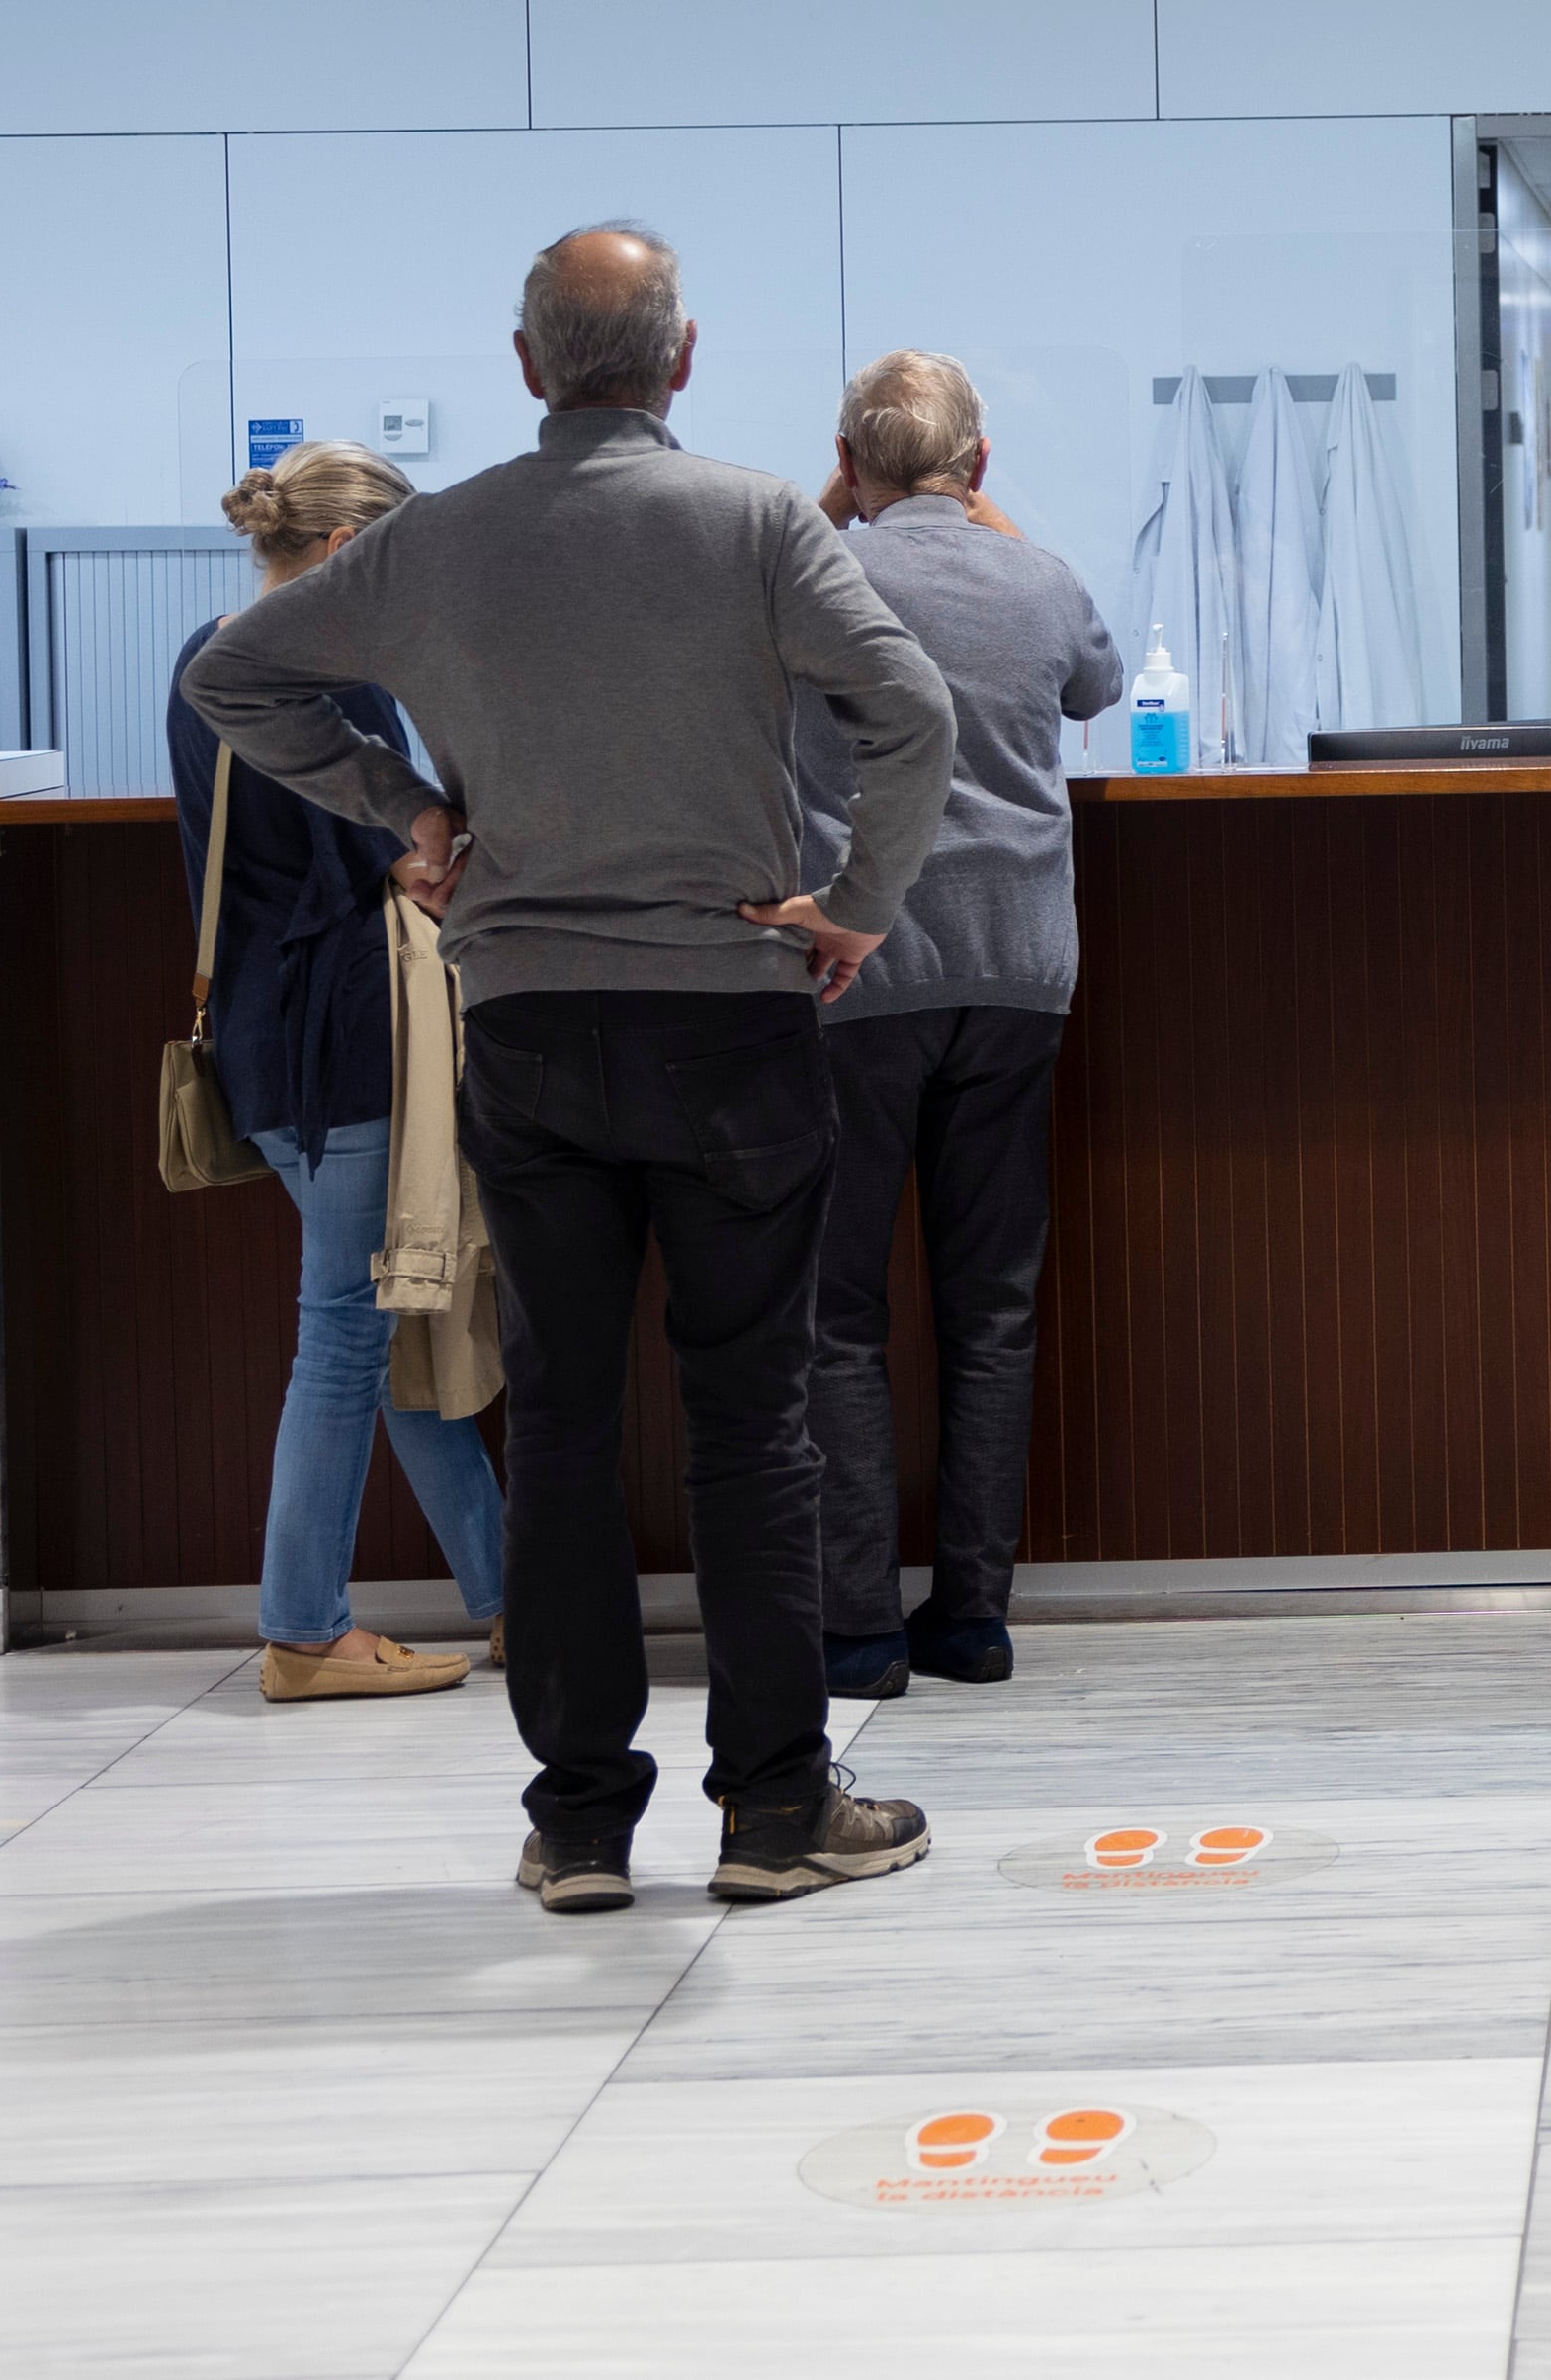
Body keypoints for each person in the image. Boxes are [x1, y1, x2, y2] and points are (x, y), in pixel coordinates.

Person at [183, 224, 958, 1920]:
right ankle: (770, 1808)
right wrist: (857, 906)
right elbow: (914, 713)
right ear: (681, 360)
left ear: (526, 365)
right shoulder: (757, 520)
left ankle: (584, 1824)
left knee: (560, 1421)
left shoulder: (437, 541)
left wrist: (410, 810)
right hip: (732, 1012)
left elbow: (228, 675)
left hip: (526, 1026)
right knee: (752, 1424)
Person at [791, 350, 1123, 1698]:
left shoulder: (819, 574)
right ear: (978, 465)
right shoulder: (1037, 577)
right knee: (991, 1308)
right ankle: (975, 1618)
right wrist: (995, 527)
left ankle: (859, 1631)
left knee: (837, 1312)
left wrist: (835, 516)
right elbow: (1095, 688)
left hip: (858, 979)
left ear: (850, 460)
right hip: (1017, 971)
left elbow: (733, 654)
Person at [167, 439, 507, 1702]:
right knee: (348, 1338)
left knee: (381, 1315)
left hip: (271, 1039)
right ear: (346, 555)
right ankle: (302, 1629)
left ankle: (513, 1594)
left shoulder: (205, 657)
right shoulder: (334, 689)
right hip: (347, 1043)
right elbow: (386, 860)